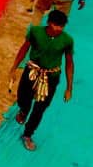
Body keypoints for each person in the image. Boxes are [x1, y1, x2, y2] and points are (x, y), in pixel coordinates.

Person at [8, 10, 75, 152]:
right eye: (56, 25)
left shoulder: (67, 40)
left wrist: (69, 87)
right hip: (31, 72)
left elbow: (69, 63)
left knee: (40, 108)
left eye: (61, 26)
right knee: (23, 98)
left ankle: (28, 134)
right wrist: (14, 68)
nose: (58, 29)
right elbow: (24, 48)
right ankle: (23, 110)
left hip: (51, 77)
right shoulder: (35, 32)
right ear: (49, 22)